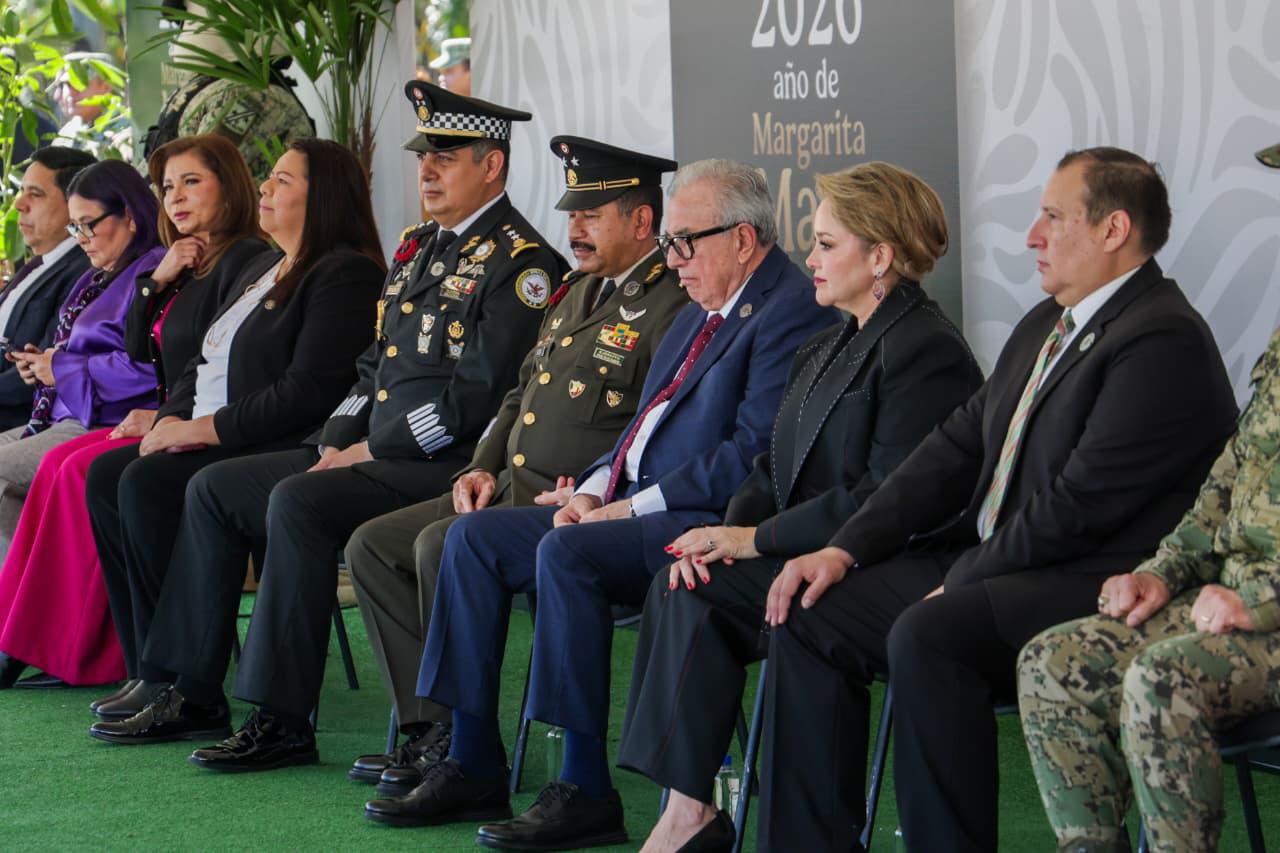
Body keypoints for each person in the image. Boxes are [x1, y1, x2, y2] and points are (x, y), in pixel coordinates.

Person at [741, 147, 1240, 853]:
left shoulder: (1162, 336)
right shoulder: (1049, 321)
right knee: (808, 606)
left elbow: (1078, 506)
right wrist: (841, 547)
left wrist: (959, 580)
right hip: (1005, 566)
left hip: (1092, 581)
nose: (1032, 234)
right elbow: (952, 448)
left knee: (927, 634)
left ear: (1113, 229)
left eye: (1053, 216)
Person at [363, 159, 838, 851]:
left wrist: (629, 506)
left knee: (568, 550)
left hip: (708, 522)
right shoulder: (700, 305)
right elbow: (637, 429)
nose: (673, 259)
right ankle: (471, 758)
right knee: (471, 540)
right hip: (636, 505)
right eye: (669, 242)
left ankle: (583, 786)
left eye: (686, 241)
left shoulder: (786, 308)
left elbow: (749, 455)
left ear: (742, 238)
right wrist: (590, 488)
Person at [89, 83, 565, 768]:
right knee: (217, 489)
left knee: (298, 501)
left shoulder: (520, 263)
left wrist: (374, 445)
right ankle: (188, 685)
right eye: (424, 157)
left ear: (492, 167)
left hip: (447, 461)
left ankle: (282, 717)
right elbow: (371, 369)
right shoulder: (419, 249)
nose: (427, 171)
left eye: (447, 158)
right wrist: (336, 440)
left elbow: (478, 397)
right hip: (370, 448)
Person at [616, 162, 985, 852]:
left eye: (826, 244)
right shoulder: (825, 340)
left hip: (896, 556)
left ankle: (805, 836)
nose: (807, 259)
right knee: (686, 581)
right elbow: (770, 465)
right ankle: (687, 810)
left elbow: (886, 495)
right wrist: (724, 529)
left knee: (797, 607)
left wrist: (757, 540)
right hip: (811, 543)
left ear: (881, 256)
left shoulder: (926, 349)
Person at [346, 135, 688, 795]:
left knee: (439, 543)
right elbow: (519, 394)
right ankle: (432, 730)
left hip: (573, 505)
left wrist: (595, 484)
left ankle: (471, 751)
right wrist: (478, 464)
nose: (574, 229)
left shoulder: (670, 303)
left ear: (643, 221)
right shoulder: (575, 289)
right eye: (571, 214)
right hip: (504, 486)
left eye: (592, 214)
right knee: (371, 546)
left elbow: (655, 423)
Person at [79, 138, 384, 727]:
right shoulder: (271, 267)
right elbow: (203, 361)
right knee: (109, 474)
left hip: (286, 440)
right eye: (268, 179)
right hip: (233, 430)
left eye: (283, 181)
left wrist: (199, 429)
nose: (266, 188)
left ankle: (190, 685)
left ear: (321, 198)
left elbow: (306, 393)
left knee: (150, 483)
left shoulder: (343, 272)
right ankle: (152, 667)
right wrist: (171, 417)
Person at [0, 135, 269, 691]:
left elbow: (169, 366)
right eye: (169, 185)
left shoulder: (242, 259)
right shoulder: (175, 263)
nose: (177, 197)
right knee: (77, 470)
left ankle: (123, 659)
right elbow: (160, 348)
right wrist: (158, 281)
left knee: (78, 470)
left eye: (192, 182)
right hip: (145, 413)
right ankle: (62, 642)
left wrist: (162, 411)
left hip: (150, 415)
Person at [1018, 325, 1280, 852]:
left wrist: (1262, 601)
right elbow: (1225, 486)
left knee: (1161, 679)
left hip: (1264, 615)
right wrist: (1162, 572)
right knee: (1052, 663)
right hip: (1224, 605)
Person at [0, 160, 166, 560]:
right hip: (63, 411)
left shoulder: (155, 270)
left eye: (89, 224)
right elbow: (77, 351)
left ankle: (18, 603)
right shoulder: (97, 275)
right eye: (76, 227)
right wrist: (44, 363)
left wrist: (60, 368)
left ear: (128, 215)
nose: (82, 238)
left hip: (108, 416)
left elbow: (147, 368)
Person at [0, 148, 96, 429]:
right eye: (22, 191)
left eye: (36, 194)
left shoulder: (83, 270)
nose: (19, 204)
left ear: (75, 204)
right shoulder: (39, 264)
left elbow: (35, 371)